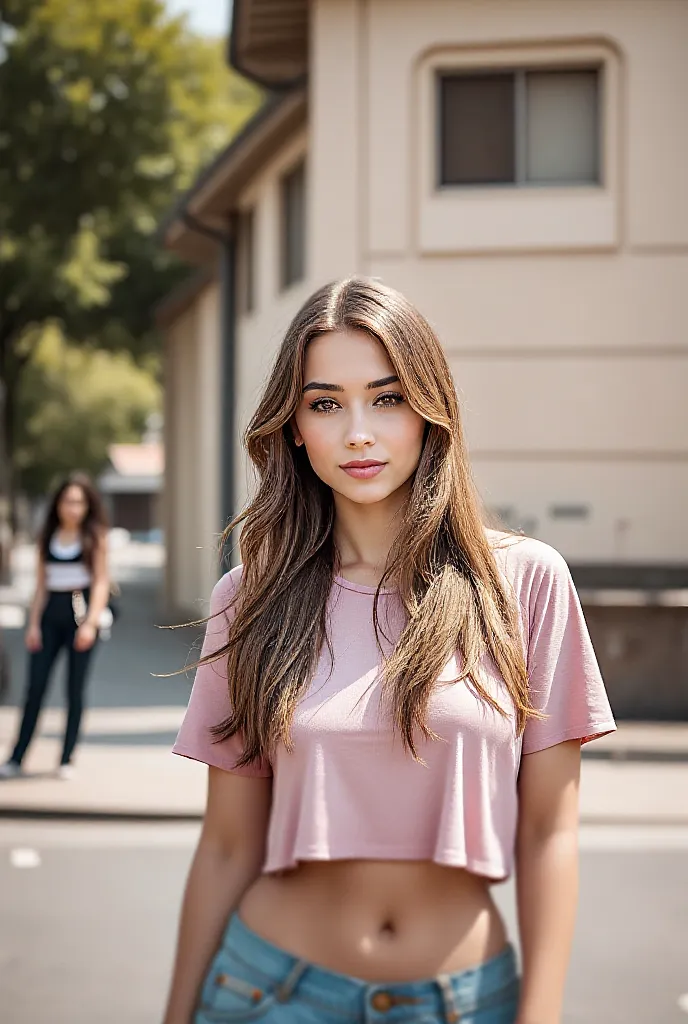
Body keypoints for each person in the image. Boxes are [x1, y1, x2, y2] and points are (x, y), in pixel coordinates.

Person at [163, 278, 616, 1024]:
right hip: (268, 993)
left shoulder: (527, 583)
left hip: (462, 1003)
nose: (358, 433)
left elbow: (548, 832)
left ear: (430, 411)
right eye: (325, 403)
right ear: (295, 427)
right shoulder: (250, 599)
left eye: (388, 397)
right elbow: (225, 846)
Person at [0, 472, 110, 780]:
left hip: (81, 618)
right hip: (49, 618)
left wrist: (90, 625)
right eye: (67, 501)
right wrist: (33, 624)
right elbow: (40, 587)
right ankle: (17, 757)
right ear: (58, 504)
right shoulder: (46, 536)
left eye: (78, 501)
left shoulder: (95, 537)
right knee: (34, 688)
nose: (72, 507)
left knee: (74, 690)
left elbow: (101, 583)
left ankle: (66, 758)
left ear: (88, 505)